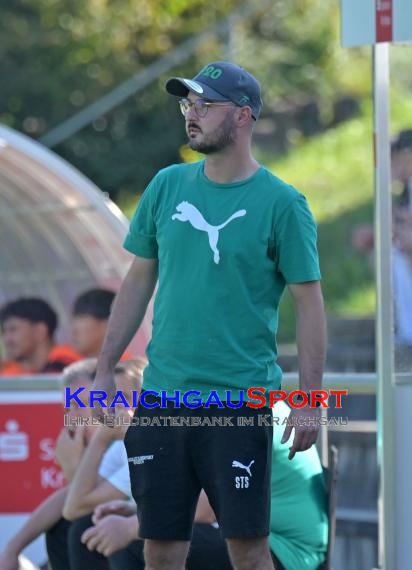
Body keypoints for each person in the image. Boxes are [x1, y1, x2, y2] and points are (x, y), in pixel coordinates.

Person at [92, 61, 326, 570]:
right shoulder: (166, 185)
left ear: (243, 116)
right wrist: (105, 365)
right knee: (159, 550)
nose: (191, 115)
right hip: (164, 398)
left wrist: (310, 398)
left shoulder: (284, 204)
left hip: (239, 402)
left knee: (246, 551)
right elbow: (137, 281)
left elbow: (310, 305)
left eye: (205, 104)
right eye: (187, 104)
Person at [0, 297, 80, 375]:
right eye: (4, 331)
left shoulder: (65, 365)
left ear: (40, 331)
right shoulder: (22, 371)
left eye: (13, 329)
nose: (7, 339)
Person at [71, 288, 134, 360]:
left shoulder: (128, 369)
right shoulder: (62, 365)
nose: (74, 330)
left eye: (81, 317)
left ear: (109, 325)